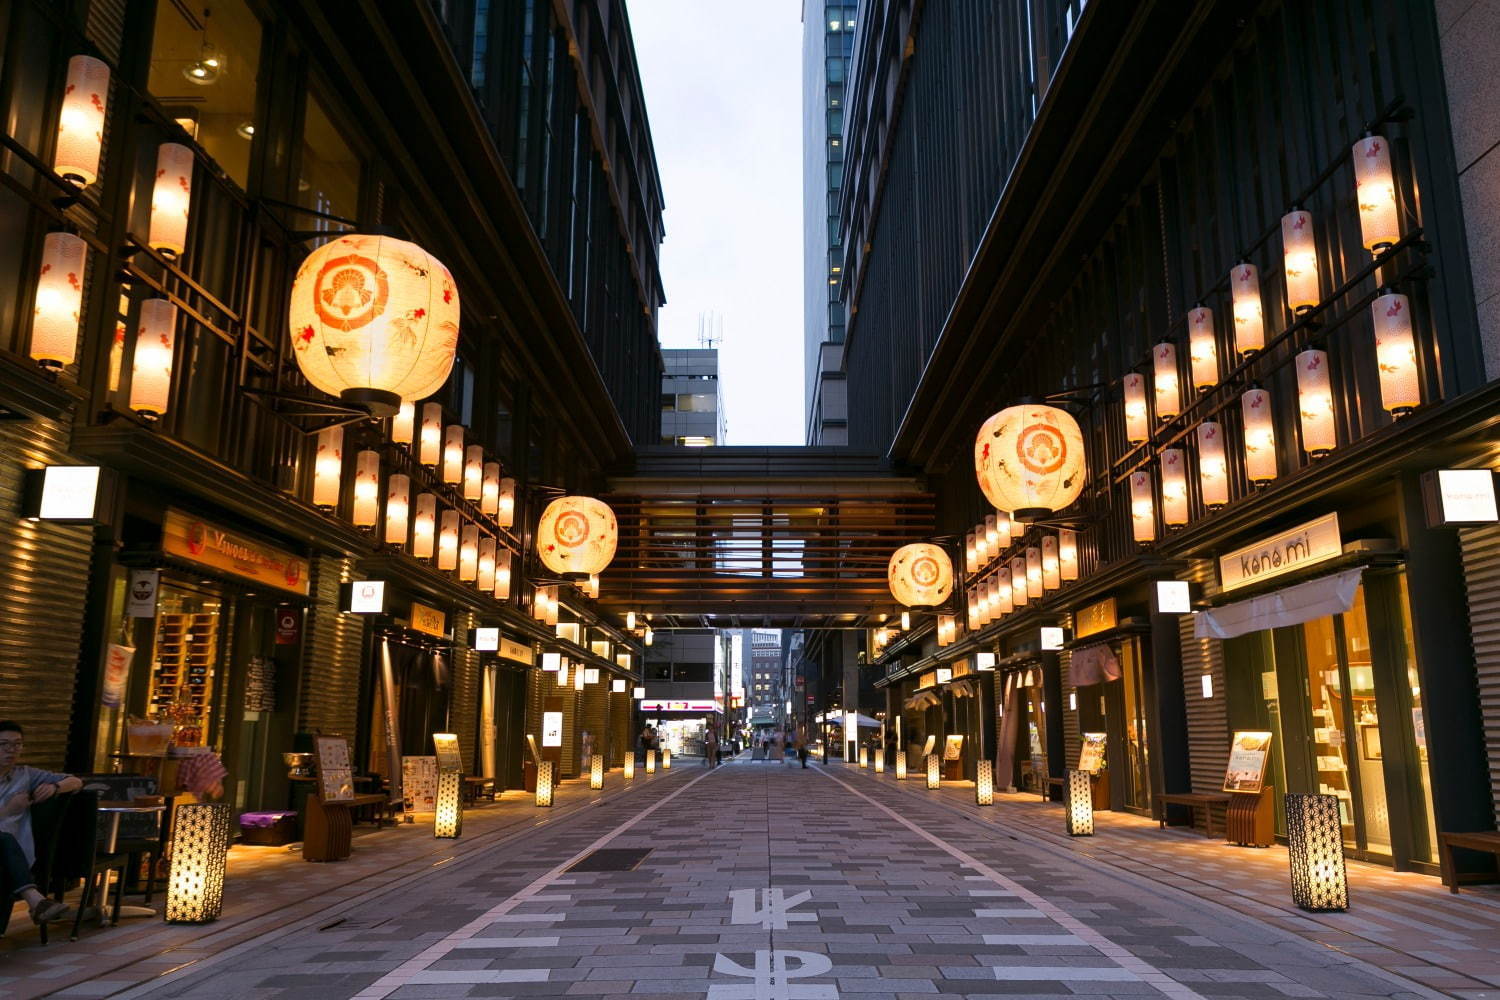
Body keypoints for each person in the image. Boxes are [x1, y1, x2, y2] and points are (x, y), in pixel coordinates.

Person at [0, 721, 81, 925]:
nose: (12, 750)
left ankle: (36, 904)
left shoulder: (25, 774)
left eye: (17, 744)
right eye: (4, 744)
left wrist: (55, 787)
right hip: (9, 849)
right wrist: (9, 809)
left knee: (6, 846)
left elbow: (76, 781)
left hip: (16, 855)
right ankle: (36, 901)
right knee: (4, 840)